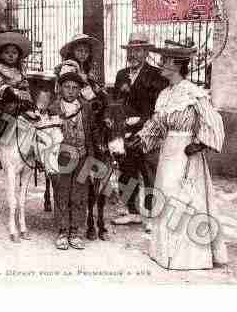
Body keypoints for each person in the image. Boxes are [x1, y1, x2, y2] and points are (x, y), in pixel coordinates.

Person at [127, 42, 228, 270]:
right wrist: (139, 139)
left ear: (176, 64)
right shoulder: (165, 94)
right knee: (165, 196)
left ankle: (186, 257)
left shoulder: (192, 92)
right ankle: (164, 253)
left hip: (185, 154)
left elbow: (213, 122)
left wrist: (200, 144)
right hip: (167, 153)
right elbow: (157, 125)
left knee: (182, 200)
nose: (161, 65)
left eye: (165, 61)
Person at [112, 33, 168, 228]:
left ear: (146, 53)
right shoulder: (121, 74)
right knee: (127, 170)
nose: (134, 55)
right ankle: (131, 211)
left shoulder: (157, 75)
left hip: (148, 132)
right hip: (126, 132)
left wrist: (142, 122)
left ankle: (152, 215)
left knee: (149, 172)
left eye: (138, 51)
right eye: (131, 51)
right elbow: (116, 103)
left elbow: (159, 106)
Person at [49, 62, 102, 250]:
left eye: (75, 87)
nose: (71, 91)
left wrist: (93, 157)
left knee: (79, 193)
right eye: (67, 87)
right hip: (63, 157)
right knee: (63, 192)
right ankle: (62, 231)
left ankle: (75, 231)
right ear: (60, 88)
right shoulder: (54, 107)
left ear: (80, 89)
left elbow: (92, 132)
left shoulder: (86, 107)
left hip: (83, 155)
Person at [58, 33, 110, 128]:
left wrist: (98, 88)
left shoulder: (85, 68)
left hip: (86, 100)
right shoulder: (68, 66)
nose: (83, 54)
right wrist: (94, 90)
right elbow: (69, 88)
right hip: (72, 101)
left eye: (86, 51)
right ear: (73, 51)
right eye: (79, 51)